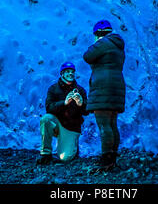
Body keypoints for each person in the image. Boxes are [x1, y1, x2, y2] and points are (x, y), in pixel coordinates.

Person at [83, 20, 125, 170]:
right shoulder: (118, 46)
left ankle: (106, 160)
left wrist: (98, 41)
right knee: (112, 123)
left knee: (103, 124)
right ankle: (113, 157)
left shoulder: (103, 43)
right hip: (117, 87)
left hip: (103, 88)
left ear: (98, 33)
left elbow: (87, 56)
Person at [37, 62, 87, 165]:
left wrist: (81, 103)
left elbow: (86, 112)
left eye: (72, 72)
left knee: (65, 158)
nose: (70, 74)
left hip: (71, 128)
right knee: (46, 119)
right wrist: (64, 103)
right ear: (62, 74)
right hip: (57, 123)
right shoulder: (53, 89)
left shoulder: (80, 90)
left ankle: (71, 145)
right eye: (67, 72)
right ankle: (46, 153)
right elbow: (49, 108)